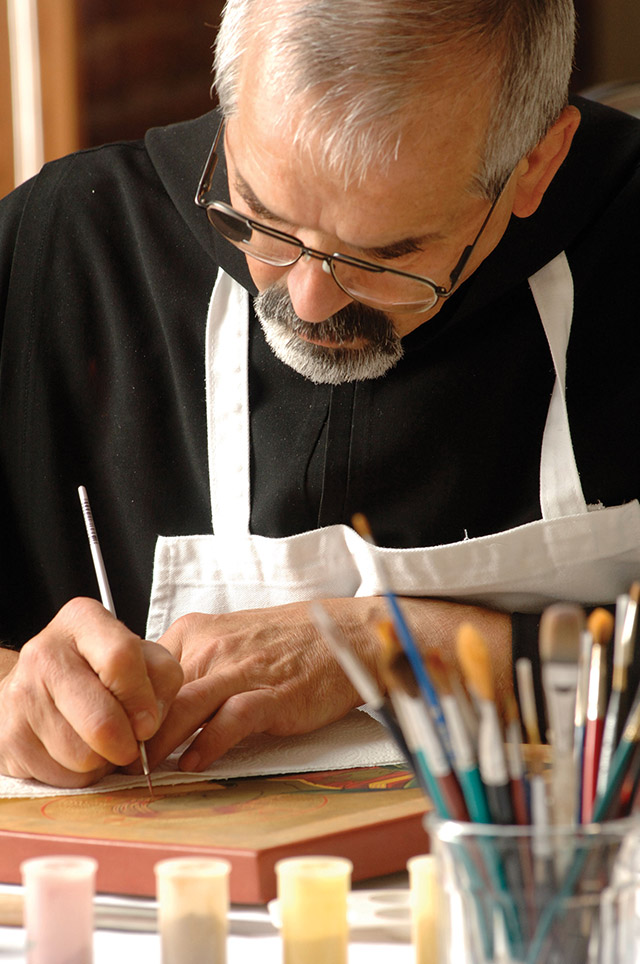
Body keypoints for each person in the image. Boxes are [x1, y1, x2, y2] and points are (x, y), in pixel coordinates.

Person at [1, 0, 639, 788]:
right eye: (261, 220)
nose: (308, 302)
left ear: (535, 166)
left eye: (385, 257)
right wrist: (11, 695)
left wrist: (395, 648)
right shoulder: (66, 247)